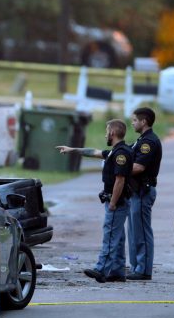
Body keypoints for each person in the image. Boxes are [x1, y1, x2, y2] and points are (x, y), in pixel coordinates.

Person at [56, 119, 133, 283]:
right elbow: (94, 152)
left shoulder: (121, 154)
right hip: (116, 201)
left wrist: (112, 202)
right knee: (117, 238)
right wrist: (72, 150)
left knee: (111, 235)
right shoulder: (115, 151)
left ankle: (101, 269)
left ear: (112, 132)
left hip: (116, 202)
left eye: (106, 131)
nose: (106, 134)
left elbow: (120, 180)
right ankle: (117, 271)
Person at [126, 107, 162, 281]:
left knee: (141, 232)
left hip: (142, 191)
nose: (132, 123)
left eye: (134, 120)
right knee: (133, 232)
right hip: (135, 192)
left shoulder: (149, 143)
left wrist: (117, 170)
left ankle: (144, 270)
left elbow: (139, 167)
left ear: (144, 121)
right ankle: (136, 267)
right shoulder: (141, 140)